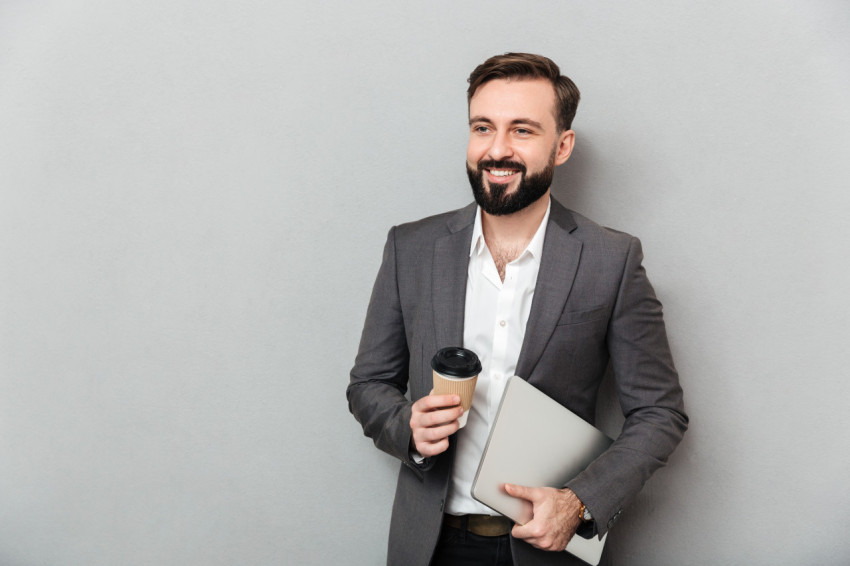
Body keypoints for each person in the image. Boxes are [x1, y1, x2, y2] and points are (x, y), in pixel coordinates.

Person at [347, 52, 687, 566]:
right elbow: (368, 384)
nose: (497, 149)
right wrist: (408, 430)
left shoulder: (611, 260)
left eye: (522, 130)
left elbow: (660, 413)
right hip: (429, 545)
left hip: (546, 548)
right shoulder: (410, 249)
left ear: (562, 144)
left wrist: (579, 504)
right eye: (483, 127)